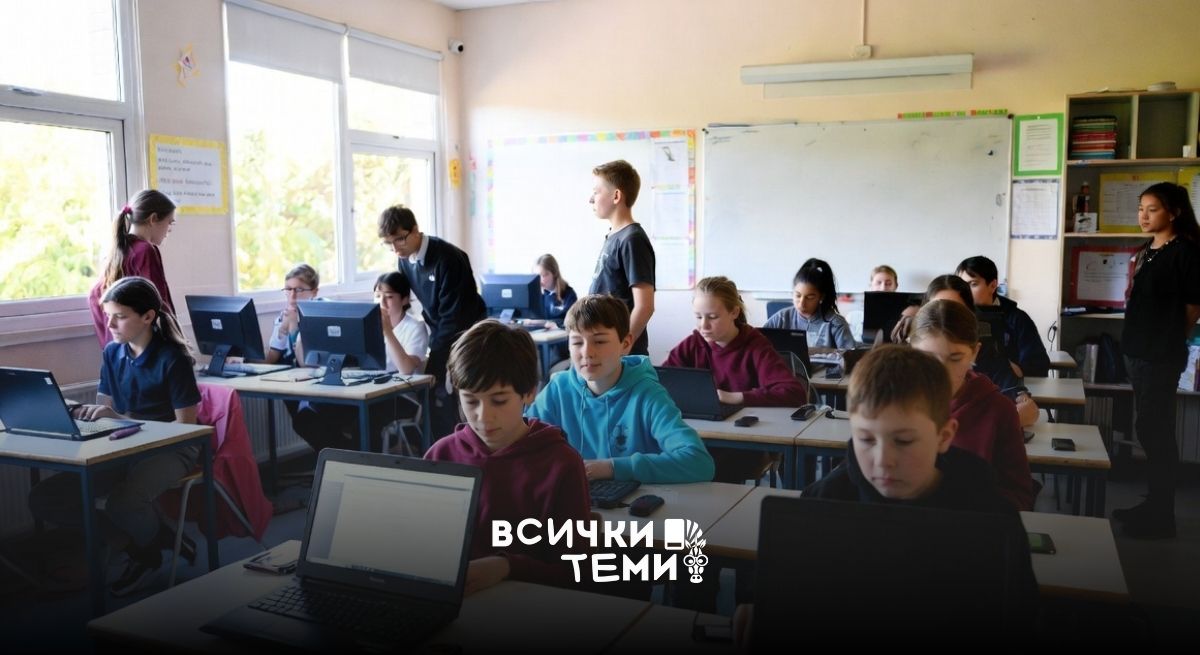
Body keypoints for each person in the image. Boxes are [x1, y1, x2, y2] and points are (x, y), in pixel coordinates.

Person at [734, 345, 1037, 647]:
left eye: (903, 441)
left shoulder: (991, 516)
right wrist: (759, 609)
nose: (882, 461)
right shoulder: (821, 503)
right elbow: (782, 587)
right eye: (866, 439)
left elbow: (1019, 618)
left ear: (944, 436)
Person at [30, 276, 202, 597]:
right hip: (125, 443)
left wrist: (117, 419)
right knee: (46, 498)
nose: (109, 324)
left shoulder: (173, 358)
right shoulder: (112, 352)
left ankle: (147, 553)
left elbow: (185, 429)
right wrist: (83, 414)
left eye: (119, 316)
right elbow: (104, 407)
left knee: (123, 503)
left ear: (148, 316)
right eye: (108, 315)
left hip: (173, 448)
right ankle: (148, 542)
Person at [425, 320, 590, 594]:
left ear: (529, 392)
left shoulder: (561, 465)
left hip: (526, 606)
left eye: (499, 400)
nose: (483, 416)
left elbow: (574, 572)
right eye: (470, 400)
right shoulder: (440, 455)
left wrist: (507, 567)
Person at [526, 294, 714, 483]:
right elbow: (521, 443)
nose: (587, 353)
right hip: (577, 496)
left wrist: (610, 468)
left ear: (626, 344)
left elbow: (699, 462)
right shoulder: (558, 389)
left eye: (599, 341)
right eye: (577, 342)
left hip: (634, 498)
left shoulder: (647, 395)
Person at [1113, 182, 1200, 539]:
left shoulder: (1186, 252)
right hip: (1137, 350)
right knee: (1149, 428)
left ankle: (1163, 516)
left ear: (1174, 212)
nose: (1144, 216)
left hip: (1160, 353)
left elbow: (1192, 307)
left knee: (1156, 431)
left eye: (1153, 209)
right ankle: (1153, 504)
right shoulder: (1147, 250)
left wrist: (1170, 341)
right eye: (1141, 208)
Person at [664, 275, 805, 482]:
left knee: (705, 467)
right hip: (697, 436)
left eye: (712, 317)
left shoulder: (755, 345)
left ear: (734, 312)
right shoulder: (694, 343)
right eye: (698, 317)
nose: (704, 325)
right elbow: (661, 380)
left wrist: (735, 397)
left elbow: (794, 393)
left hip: (742, 444)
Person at [909, 300, 1035, 511]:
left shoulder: (999, 410)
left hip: (969, 523)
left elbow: (1019, 495)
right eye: (928, 358)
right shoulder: (894, 403)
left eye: (955, 358)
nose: (942, 371)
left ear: (975, 352)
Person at [379, 204, 488, 437]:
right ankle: (441, 447)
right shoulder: (404, 260)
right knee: (437, 397)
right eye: (389, 243)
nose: (395, 248)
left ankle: (464, 447)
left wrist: (436, 359)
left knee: (457, 396)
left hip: (468, 335)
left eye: (400, 239)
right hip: (442, 333)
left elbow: (453, 316)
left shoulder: (448, 258)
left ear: (415, 230)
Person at [891, 275, 1040, 427]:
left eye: (955, 311)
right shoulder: (908, 362)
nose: (944, 318)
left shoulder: (987, 350)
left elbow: (1014, 394)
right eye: (935, 309)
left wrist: (1014, 413)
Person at [88, 190, 178, 347]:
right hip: (147, 348)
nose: (169, 229)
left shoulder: (117, 249)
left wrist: (109, 346)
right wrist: (177, 341)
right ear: (153, 219)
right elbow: (159, 303)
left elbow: (94, 296)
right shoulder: (145, 250)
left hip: (121, 350)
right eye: (169, 222)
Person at [588, 160, 656, 356]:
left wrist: (621, 348)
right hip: (604, 347)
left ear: (616, 196)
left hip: (620, 354)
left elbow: (644, 306)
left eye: (596, 192)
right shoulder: (613, 236)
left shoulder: (632, 239)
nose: (591, 199)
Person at [956, 255, 1050, 379]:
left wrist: (1002, 364)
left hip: (1007, 387)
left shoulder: (1017, 319)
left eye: (973, 284)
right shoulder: (955, 317)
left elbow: (1038, 366)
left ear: (992, 285)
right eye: (961, 286)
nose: (965, 291)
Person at [763, 258, 855, 350]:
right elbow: (759, 342)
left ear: (821, 297)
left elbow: (851, 356)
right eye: (798, 296)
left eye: (809, 297)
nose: (802, 303)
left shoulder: (836, 324)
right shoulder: (781, 318)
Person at [374, 271, 430, 375]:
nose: (381, 302)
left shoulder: (416, 328)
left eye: (389, 296)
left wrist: (387, 331)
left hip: (403, 384)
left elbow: (407, 369)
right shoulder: (369, 325)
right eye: (377, 296)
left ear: (405, 299)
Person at [264, 264, 320, 366]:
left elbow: (305, 364)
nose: (292, 295)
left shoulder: (319, 319)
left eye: (299, 290)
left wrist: (293, 327)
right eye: (288, 289)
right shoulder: (284, 316)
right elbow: (271, 358)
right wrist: (243, 360)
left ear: (314, 292)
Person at [535, 253, 578, 326]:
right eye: (537, 276)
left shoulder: (569, 294)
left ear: (554, 273)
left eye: (544, 275)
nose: (540, 280)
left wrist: (553, 323)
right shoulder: (538, 295)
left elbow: (571, 322)